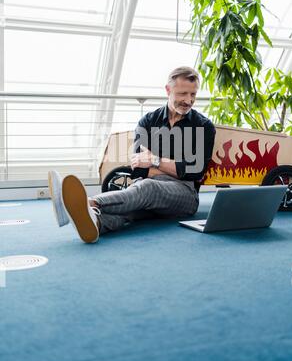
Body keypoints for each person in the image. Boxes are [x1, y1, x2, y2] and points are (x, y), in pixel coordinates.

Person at [48, 66, 216, 243]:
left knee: (147, 188)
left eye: (193, 95)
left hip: (184, 196)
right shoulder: (148, 121)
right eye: (183, 94)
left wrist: (154, 161)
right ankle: (96, 223)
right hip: (145, 188)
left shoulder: (203, 126)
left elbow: (195, 172)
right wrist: (176, 168)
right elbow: (138, 170)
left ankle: (89, 203)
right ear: (168, 90)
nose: (189, 101)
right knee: (130, 209)